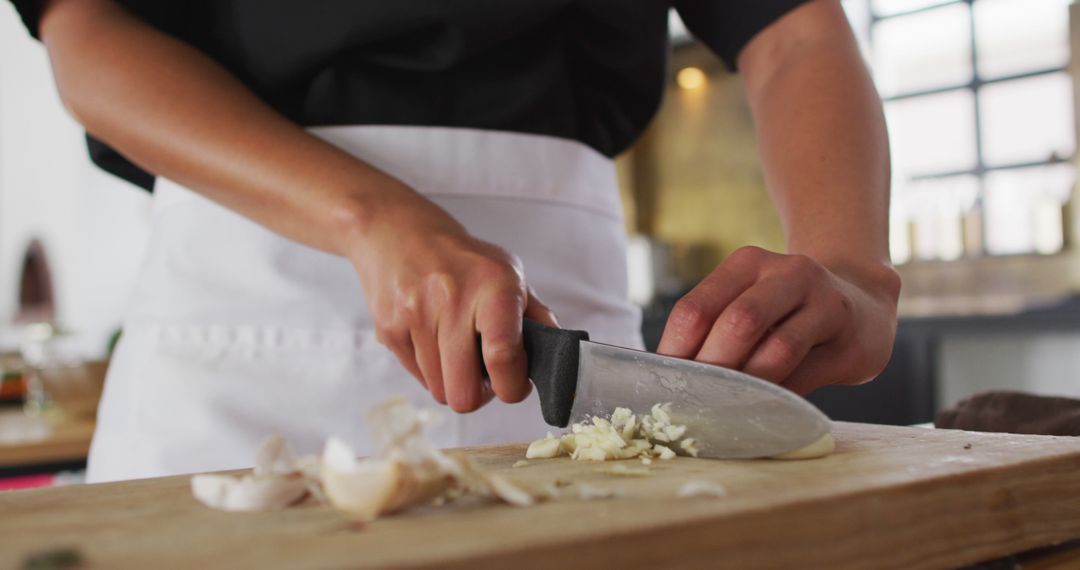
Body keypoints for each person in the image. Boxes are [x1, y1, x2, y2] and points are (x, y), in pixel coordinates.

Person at [9, 0, 900, 482]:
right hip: (236, 311)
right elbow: (85, 28)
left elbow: (794, 32)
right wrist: (368, 216)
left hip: (564, 342)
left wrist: (853, 263)